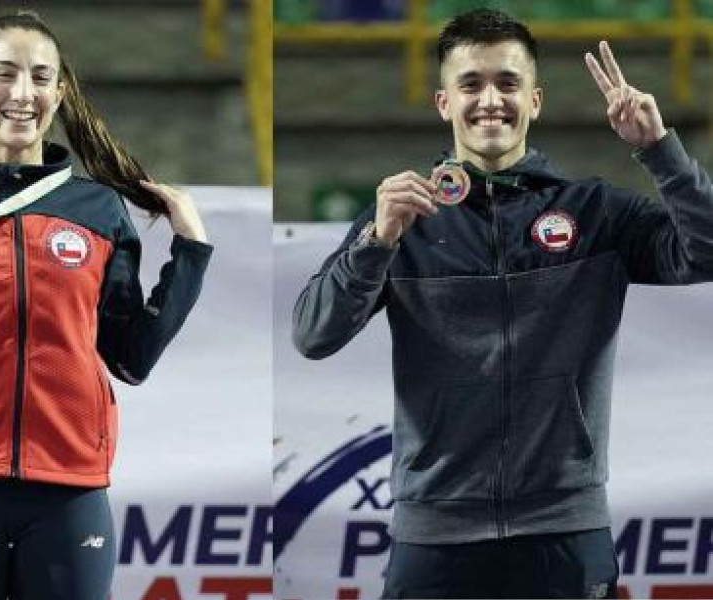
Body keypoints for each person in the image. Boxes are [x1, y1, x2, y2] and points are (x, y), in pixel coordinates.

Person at [292, 9, 713, 599]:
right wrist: (376, 243)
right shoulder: (404, 218)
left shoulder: (595, 213)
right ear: (444, 103)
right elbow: (313, 335)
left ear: (534, 101)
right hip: (435, 536)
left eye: (507, 83)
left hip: (563, 531)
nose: (490, 100)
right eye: (471, 84)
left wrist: (659, 149)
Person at [0, 11, 212, 600]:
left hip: (68, 487)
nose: (23, 93)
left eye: (40, 77)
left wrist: (192, 254)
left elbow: (132, 359)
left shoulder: (98, 211)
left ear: (59, 92)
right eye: (5, 73)